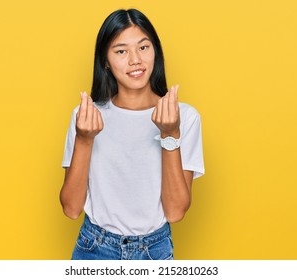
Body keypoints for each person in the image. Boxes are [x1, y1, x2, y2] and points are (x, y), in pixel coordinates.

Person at [60, 8, 204, 260]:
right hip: (94, 249)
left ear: (155, 51)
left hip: (154, 251)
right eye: (121, 51)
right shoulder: (86, 117)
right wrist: (84, 139)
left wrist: (170, 134)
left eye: (143, 47)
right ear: (105, 60)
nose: (135, 60)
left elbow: (175, 212)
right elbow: (71, 209)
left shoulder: (184, 117)